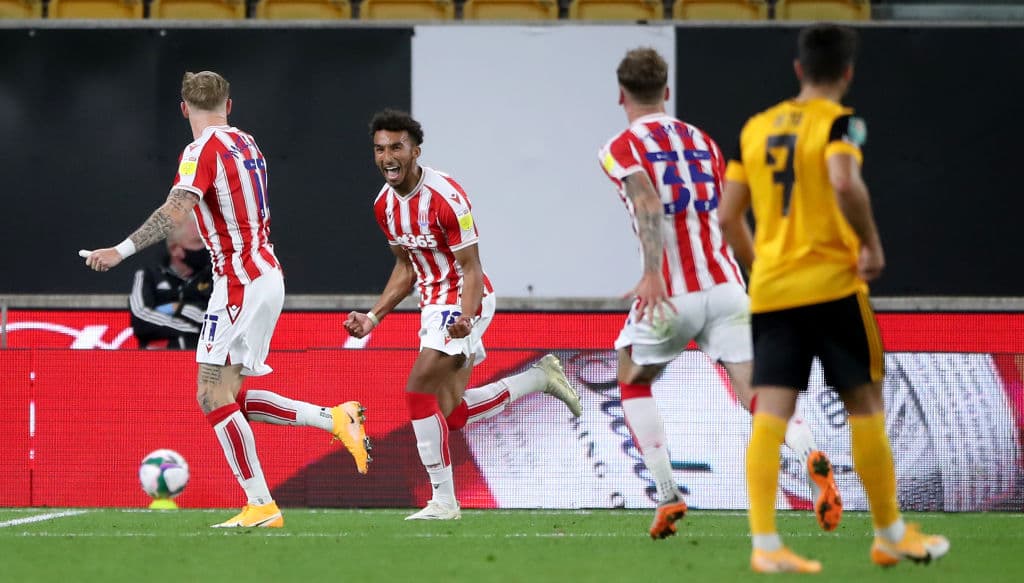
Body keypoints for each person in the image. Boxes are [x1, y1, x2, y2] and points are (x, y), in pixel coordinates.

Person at [80, 71, 371, 528]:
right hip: (263, 274)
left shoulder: (201, 151)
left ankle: (261, 504)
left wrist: (119, 250)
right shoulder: (247, 143)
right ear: (230, 105)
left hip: (238, 283)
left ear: (183, 109)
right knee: (228, 393)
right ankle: (334, 418)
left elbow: (174, 210)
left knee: (209, 394)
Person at [719, 24, 949, 573]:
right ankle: (889, 533)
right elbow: (844, 182)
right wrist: (869, 243)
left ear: (798, 69)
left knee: (771, 413)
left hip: (774, 293)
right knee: (864, 405)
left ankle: (766, 544)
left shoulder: (754, 129)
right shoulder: (842, 123)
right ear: (847, 72)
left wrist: (765, 266)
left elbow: (728, 215)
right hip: (833, 286)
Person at [598, 47, 840, 541]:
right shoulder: (703, 142)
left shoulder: (620, 147)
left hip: (672, 293)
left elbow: (646, 201)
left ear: (621, 94)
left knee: (632, 375)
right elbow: (729, 214)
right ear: (666, 92)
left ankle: (668, 498)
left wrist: (651, 273)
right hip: (727, 286)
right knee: (757, 394)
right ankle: (810, 454)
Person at [344, 109, 582, 521]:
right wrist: (373, 317)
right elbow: (406, 267)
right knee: (450, 414)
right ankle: (540, 377)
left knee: (417, 391)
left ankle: (444, 501)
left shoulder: (447, 199)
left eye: (396, 147)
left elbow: (472, 268)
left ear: (415, 150)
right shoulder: (384, 206)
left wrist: (466, 318)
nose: (387, 157)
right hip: (433, 306)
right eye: (380, 149)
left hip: (464, 301)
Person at [129, 220, 213, 349]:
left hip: (202, 361)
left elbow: (216, 321)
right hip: (156, 363)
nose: (206, 247)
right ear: (176, 250)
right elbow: (141, 319)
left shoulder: (216, 275)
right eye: (198, 242)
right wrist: (190, 328)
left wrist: (177, 308)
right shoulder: (148, 275)